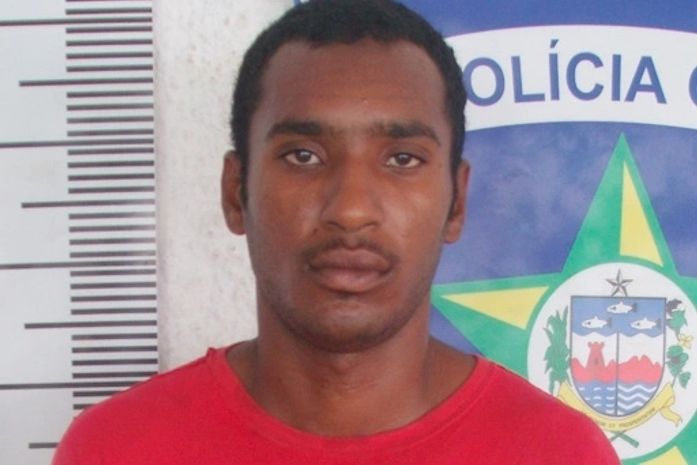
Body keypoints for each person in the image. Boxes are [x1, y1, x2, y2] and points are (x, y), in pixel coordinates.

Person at [54, 1, 620, 463]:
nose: (350, 210)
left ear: (457, 202)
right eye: (303, 155)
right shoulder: (117, 450)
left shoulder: (559, 453)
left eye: (402, 159)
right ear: (235, 192)